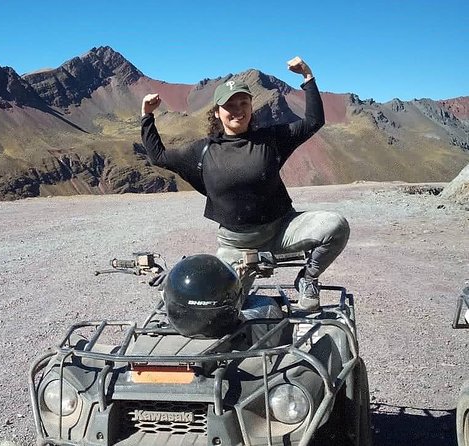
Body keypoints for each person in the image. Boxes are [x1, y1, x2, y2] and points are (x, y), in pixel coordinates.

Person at [140, 56, 349, 311]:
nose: (238, 109)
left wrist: (308, 77)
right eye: (229, 105)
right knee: (220, 309)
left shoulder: (271, 139)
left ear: (251, 107)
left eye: (244, 103)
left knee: (335, 226)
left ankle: (307, 279)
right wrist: (147, 116)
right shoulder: (202, 152)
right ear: (217, 112)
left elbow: (313, 122)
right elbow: (158, 156)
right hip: (236, 246)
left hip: (282, 229)